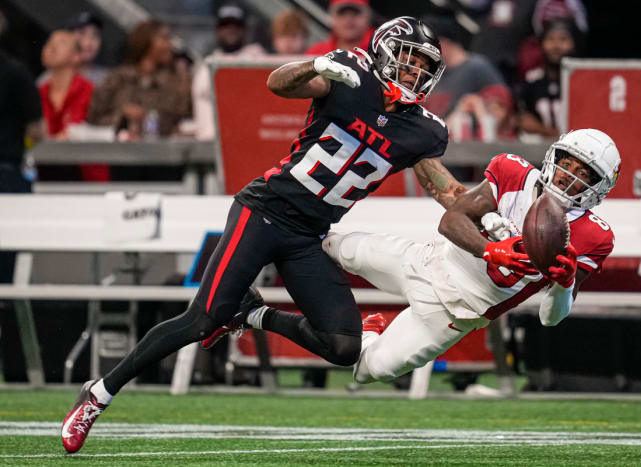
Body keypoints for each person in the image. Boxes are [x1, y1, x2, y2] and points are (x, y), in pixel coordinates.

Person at [61, 16, 468, 453]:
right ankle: (99, 393)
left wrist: (493, 219)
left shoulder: (424, 129)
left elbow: (445, 189)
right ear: (386, 50)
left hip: (308, 233)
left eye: (425, 66)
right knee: (202, 319)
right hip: (264, 210)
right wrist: (316, 66)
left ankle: (253, 315)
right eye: (410, 60)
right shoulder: (350, 74)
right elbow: (279, 83)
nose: (415, 72)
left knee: (345, 346)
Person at [321, 128, 621, 384]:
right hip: (428, 261)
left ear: (598, 187)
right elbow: (450, 221)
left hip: (456, 313)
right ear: (553, 158)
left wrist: (566, 282)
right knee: (332, 246)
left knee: (371, 371)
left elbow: (550, 318)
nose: (568, 177)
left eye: (582, 173)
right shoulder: (513, 172)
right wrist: (490, 249)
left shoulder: (594, 235)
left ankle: (371, 329)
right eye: (567, 163)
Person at [87, 19, 191, 140]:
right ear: (146, 41)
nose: (170, 45)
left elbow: (182, 120)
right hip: (117, 151)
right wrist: (123, 115)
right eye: (164, 38)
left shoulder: (175, 81)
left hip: (160, 152)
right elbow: (93, 117)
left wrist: (147, 118)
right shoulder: (119, 78)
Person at [0, 27, 43, 282]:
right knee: (5, 266)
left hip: (7, 177)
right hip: (7, 175)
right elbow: (38, 131)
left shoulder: (16, 74)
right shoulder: (16, 73)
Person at [192, 2, 266, 140]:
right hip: (208, 144)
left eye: (236, 26)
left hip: (246, 141)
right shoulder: (205, 65)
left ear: (244, 29)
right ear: (217, 30)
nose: (231, 30)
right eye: (225, 25)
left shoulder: (257, 59)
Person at [421, 15, 508, 120]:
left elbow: (503, 107)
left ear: (442, 42)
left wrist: (477, 105)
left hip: (469, 134)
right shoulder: (433, 74)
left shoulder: (477, 67)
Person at [517, 20, 577, 139]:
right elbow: (524, 121)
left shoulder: (580, 80)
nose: (556, 46)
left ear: (573, 44)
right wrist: (549, 132)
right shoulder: (532, 80)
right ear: (541, 44)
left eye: (563, 39)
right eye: (550, 39)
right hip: (540, 148)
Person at [39, 30, 93, 140]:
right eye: (49, 42)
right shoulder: (39, 92)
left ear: (76, 56)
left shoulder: (89, 91)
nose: (52, 47)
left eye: (61, 43)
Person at [305, 0, 373, 55]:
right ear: (331, 18)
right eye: (342, 13)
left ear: (368, 17)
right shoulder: (315, 53)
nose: (349, 19)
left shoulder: (379, 51)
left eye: (356, 13)